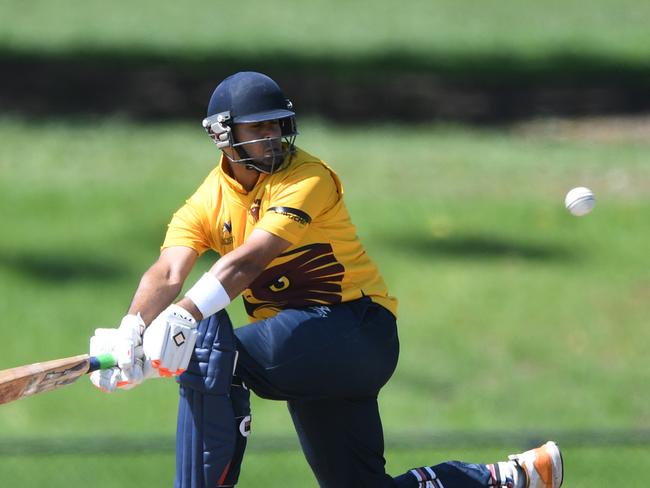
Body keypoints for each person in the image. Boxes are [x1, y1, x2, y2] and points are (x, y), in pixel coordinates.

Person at [89, 71, 564, 488]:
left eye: (278, 125)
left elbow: (247, 263)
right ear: (222, 136)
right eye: (259, 128)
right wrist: (132, 327)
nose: (273, 137)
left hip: (355, 329)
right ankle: (515, 476)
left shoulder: (308, 177)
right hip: (310, 352)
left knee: (208, 345)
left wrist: (174, 329)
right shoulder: (207, 201)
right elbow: (169, 269)